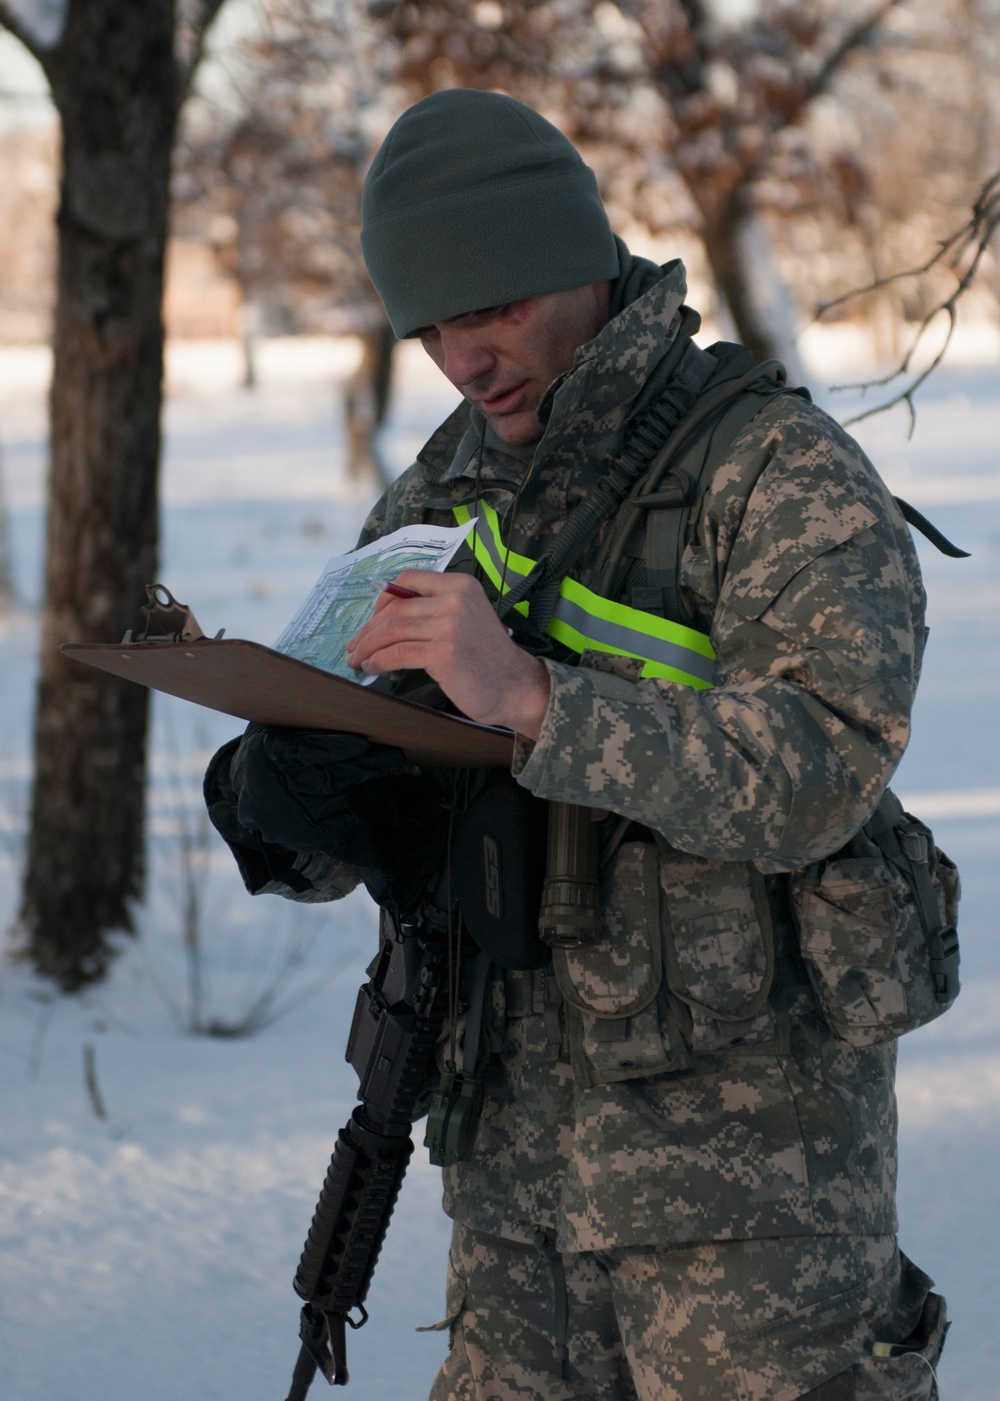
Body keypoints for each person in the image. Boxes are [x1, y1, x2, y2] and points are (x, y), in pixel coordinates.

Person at [205, 90, 955, 1400]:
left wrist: (542, 704)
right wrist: (292, 795)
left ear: (581, 260)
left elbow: (825, 764)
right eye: (432, 325)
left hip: (746, 1195)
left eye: (493, 308)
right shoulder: (448, 488)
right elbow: (370, 774)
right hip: (508, 1184)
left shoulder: (772, 469)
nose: (465, 357)